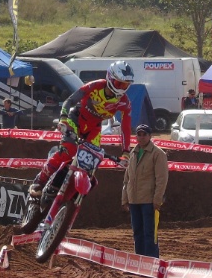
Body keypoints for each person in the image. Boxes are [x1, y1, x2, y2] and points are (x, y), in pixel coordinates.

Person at [29, 60, 135, 197]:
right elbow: (70, 100)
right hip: (76, 119)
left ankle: (72, 194)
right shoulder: (95, 85)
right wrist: (63, 118)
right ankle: (40, 180)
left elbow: (126, 128)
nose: (122, 88)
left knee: (91, 163)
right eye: (119, 83)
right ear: (110, 77)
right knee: (69, 150)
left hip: (94, 128)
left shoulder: (124, 102)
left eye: (126, 85)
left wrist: (126, 152)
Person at [121, 123, 169, 258]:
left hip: (149, 201)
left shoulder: (158, 154)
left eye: (144, 135)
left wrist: (157, 199)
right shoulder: (133, 153)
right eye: (139, 135)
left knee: (149, 233)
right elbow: (127, 178)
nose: (141, 138)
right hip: (134, 200)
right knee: (137, 232)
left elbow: (162, 179)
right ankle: (139, 261)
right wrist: (125, 199)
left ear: (150, 136)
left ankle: (151, 262)